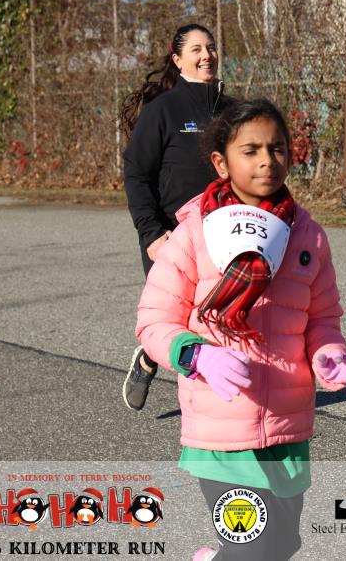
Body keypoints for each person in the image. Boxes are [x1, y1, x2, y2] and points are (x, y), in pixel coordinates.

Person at [135, 98, 346, 560]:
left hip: (287, 429)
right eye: (250, 150)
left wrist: (327, 354)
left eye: (276, 149)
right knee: (251, 549)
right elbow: (154, 321)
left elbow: (322, 319)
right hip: (220, 434)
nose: (266, 161)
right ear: (221, 163)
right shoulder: (193, 233)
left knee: (283, 545)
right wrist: (196, 355)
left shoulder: (308, 237)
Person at [121, 24, 230, 412]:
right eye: (196, 49)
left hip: (224, 236)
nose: (206, 55)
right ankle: (151, 355)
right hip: (170, 237)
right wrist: (151, 233)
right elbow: (136, 173)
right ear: (178, 59)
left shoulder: (234, 111)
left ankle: (217, 408)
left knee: (217, 319)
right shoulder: (163, 110)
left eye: (210, 47)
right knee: (177, 319)